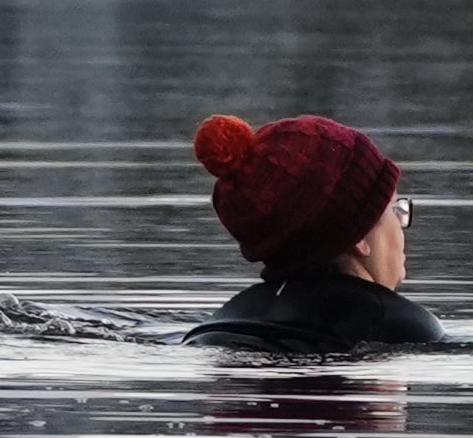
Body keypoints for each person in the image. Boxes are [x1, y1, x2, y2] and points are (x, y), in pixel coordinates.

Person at [183, 109, 444, 352]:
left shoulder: (225, 321)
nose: (401, 225)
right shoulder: (399, 324)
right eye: (395, 210)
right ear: (361, 236)